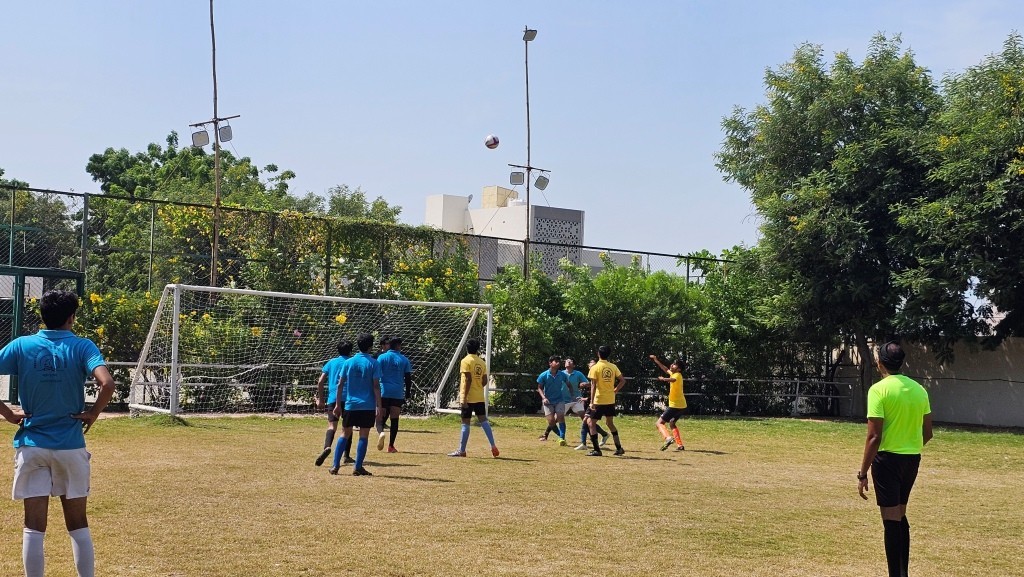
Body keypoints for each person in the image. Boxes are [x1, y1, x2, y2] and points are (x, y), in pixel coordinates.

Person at [0, 289, 116, 577]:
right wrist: (93, 413)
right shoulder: (83, 346)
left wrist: (8, 414)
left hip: (32, 445)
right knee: (77, 523)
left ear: (42, 315)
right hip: (70, 446)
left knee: (33, 526)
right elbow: (107, 384)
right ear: (71, 317)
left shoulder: (22, 345)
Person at [857, 340, 932, 577]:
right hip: (911, 459)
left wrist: (862, 473)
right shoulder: (919, 390)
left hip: (887, 461)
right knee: (900, 514)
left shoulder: (878, 390)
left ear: (880, 362)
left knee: (890, 519)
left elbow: (874, 437)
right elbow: (927, 433)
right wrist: (909, 445)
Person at [329, 333, 383, 476]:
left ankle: (335, 465)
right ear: (371, 346)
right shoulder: (374, 363)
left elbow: (340, 384)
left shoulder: (348, 362)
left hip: (350, 405)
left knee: (344, 433)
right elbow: (376, 386)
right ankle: (358, 467)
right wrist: (379, 405)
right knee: (364, 435)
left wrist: (337, 405)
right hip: (367, 405)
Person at [448, 338, 499, 458]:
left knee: (465, 422)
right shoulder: (481, 362)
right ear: (477, 349)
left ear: (466, 348)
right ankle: (493, 445)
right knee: (484, 421)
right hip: (479, 396)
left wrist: (464, 398)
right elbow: (485, 380)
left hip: (468, 397)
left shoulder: (465, 361)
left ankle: (462, 451)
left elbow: (468, 379)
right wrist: (478, 387)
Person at [314, 339, 353, 466]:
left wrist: (321, 399)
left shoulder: (331, 362)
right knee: (348, 428)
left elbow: (320, 381)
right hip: (348, 399)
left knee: (332, 426)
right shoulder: (351, 362)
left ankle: (327, 447)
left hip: (333, 398)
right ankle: (346, 455)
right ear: (351, 351)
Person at [584, 345, 626, 456]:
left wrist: (591, 402)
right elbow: (622, 380)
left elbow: (593, 385)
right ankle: (619, 448)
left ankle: (597, 450)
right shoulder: (613, 366)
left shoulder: (595, 368)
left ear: (598, 354)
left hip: (599, 400)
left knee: (590, 423)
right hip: (610, 400)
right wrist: (615, 390)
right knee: (609, 423)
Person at [375, 337, 413, 452]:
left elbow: (376, 374)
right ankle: (391, 446)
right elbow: (408, 378)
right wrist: (407, 393)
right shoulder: (404, 359)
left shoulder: (382, 357)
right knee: (394, 419)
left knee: (380, 418)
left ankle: (381, 433)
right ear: (398, 346)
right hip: (397, 392)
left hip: (384, 391)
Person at [564, 358, 608, 450]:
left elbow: (597, 389)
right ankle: (602, 435)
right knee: (587, 421)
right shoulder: (562, 373)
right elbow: (592, 386)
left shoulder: (596, 375)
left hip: (592, 402)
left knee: (587, 421)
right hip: (569, 400)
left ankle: (587, 443)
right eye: (589, 364)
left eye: (592, 363)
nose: (589, 365)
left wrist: (586, 397)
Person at [649, 354, 687, 451]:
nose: (672, 365)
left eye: (674, 365)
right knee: (672, 423)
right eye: (672, 364)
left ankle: (668, 438)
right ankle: (680, 445)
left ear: (679, 369)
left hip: (675, 405)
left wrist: (663, 379)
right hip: (682, 406)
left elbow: (673, 380)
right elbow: (665, 369)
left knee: (659, 423)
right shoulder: (674, 373)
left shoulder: (677, 375)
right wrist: (656, 360)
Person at [536, 355, 570, 446]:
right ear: (550, 363)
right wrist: (544, 398)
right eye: (556, 361)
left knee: (560, 417)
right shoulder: (543, 375)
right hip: (548, 401)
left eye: (559, 361)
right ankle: (560, 436)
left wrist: (572, 394)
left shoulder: (562, 375)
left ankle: (562, 437)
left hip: (559, 400)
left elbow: (568, 384)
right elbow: (539, 388)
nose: (558, 363)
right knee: (551, 421)